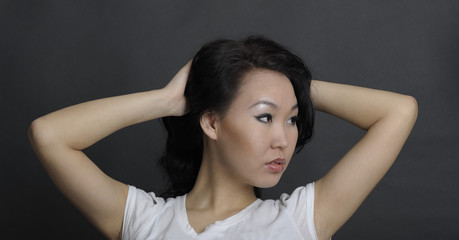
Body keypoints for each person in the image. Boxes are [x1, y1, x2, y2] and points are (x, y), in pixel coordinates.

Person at [29, 35, 417, 240]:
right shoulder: (143, 221)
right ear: (211, 123)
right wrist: (166, 100)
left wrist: (288, 86)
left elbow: (398, 112)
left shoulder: (303, 221)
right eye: (265, 117)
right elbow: (49, 135)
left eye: (292, 120)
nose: (283, 139)